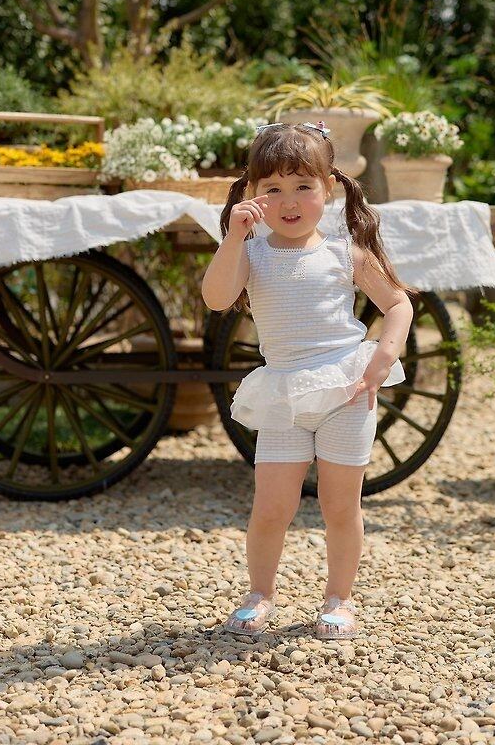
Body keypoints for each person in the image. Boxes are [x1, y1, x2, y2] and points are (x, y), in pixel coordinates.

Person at [201, 120, 416, 640]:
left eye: (303, 186)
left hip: (347, 391)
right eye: (272, 189)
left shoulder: (345, 251)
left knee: (341, 505)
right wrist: (233, 236)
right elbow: (215, 297)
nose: (289, 201)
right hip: (285, 396)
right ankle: (260, 593)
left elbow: (398, 304)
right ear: (251, 194)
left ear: (330, 189)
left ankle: (339, 597)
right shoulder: (251, 253)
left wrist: (384, 356)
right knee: (271, 506)